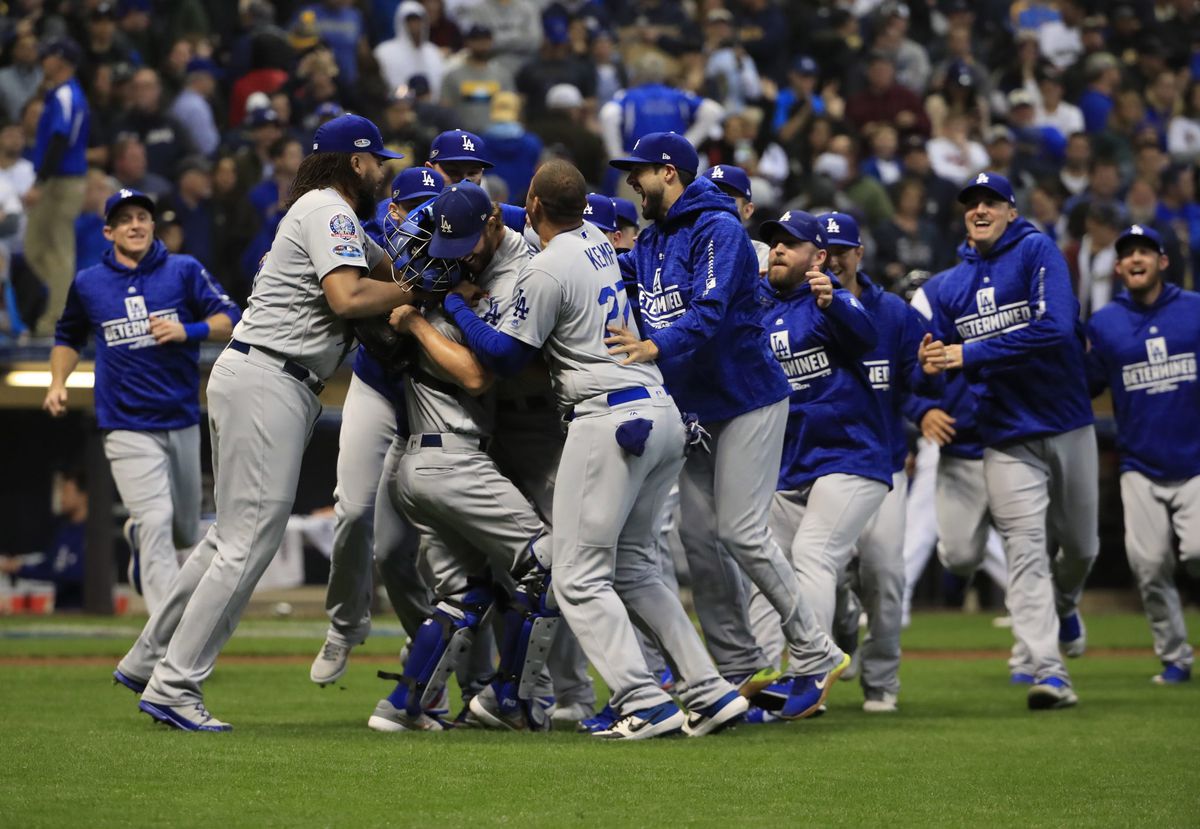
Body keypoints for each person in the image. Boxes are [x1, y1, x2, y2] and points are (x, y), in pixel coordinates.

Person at [113, 114, 416, 732]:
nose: (382, 169)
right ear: (354, 163)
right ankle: (175, 685)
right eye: (375, 160)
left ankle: (148, 656)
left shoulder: (329, 213)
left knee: (228, 535)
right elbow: (350, 299)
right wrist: (423, 295)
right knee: (249, 541)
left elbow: (386, 272)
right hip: (270, 378)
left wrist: (418, 273)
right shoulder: (328, 209)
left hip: (260, 375)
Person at [441, 160, 749, 740]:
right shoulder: (593, 239)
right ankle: (709, 692)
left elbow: (504, 357)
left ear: (532, 203)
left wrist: (458, 303)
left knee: (579, 578)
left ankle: (643, 699)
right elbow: (531, 216)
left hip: (608, 418)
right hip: (657, 411)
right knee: (634, 568)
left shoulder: (547, 267)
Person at [604, 132, 849, 717]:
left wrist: (653, 348)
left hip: (747, 399)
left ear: (669, 172)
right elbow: (620, 276)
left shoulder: (720, 229)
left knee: (741, 532)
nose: (631, 181)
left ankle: (816, 652)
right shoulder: (655, 239)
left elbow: (710, 313)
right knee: (699, 541)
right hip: (698, 409)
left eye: (639, 171)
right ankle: (741, 664)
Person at [370, 182, 558, 732]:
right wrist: (431, 314)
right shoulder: (438, 313)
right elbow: (478, 373)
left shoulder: (420, 301)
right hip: (453, 462)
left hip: (417, 465)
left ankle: (404, 708)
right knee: (546, 565)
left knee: (463, 594)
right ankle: (510, 702)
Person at [922, 172, 1098, 710]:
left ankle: (1066, 605)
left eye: (990, 202)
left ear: (1011, 211)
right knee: (1024, 553)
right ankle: (1049, 670)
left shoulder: (1037, 251)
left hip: (1066, 421)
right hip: (1004, 435)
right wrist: (931, 364)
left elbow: (1057, 327)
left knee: (1081, 548)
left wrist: (967, 354)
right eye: (971, 202)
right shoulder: (949, 286)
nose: (980, 209)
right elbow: (933, 355)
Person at [45, 188, 238, 613]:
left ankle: (139, 540)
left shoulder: (183, 270)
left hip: (180, 416)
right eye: (126, 219)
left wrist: (189, 331)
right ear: (109, 231)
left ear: (154, 227)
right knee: (153, 520)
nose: (136, 225)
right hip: (124, 421)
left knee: (185, 530)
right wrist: (58, 382)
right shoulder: (89, 282)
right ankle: (163, 641)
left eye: (143, 217)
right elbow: (67, 336)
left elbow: (232, 316)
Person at [746, 209, 887, 721]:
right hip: (788, 463)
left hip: (850, 455)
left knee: (812, 554)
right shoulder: (757, 306)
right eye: (774, 243)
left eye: (792, 243)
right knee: (764, 561)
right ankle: (762, 679)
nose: (779, 249)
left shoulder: (829, 298)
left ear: (819, 256)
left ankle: (810, 674)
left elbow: (866, 335)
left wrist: (834, 301)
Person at [310, 165, 446, 687]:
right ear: (394, 210)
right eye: (417, 209)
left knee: (398, 550)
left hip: (433, 397)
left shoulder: (463, 247)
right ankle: (345, 626)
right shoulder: (369, 246)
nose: (427, 220)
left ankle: (426, 653)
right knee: (352, 510)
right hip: (376, 386)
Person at [817, 210, 933, 713]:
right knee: (827, 578)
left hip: (883, 465)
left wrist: (927, 401)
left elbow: (918, 382)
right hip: (817, 465)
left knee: (886, 574)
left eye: (846, 248)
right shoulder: (800, 308)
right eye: (828, 248)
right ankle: (841, 638)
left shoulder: (895, 315)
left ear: (860, 254)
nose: (838, 256)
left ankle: (882, 678)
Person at [1084, 225, 1198, 686]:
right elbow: (1087, 385)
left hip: (1195, 461)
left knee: (1197, 553)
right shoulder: (1105, 323)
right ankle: (1175, 657)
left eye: (1145, 253)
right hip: (1139, 463)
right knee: (1149, 566)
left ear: (1162, 262)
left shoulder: (1195, 311)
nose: (1136, 260)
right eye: (1128, 254)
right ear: (1117, 267)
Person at [24, 38, 89, 330]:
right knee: (34, 248)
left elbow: (61, 139)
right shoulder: (60, 94)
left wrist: (41, 181)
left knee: (60, 249)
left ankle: (59, 318)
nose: (43, 60)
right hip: (57, 179)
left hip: (62, 181)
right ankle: (70, 302)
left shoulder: (66, 95)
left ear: (60, 60)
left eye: (48, 55)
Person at [0, 467, 88, 610]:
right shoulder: (63, 529)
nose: (62, 498)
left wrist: (23, 569)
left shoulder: (95, 534)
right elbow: (50, 564)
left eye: (66, 491)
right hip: (62, 609)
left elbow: (72, 574)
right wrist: (18, 567)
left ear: (84, 496)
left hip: (84, 609)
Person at [701, 164, 768, 270]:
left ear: (747, 210)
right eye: (709, 196)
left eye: (726, 197)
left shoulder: (762, 257)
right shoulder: (677, 250)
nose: (715, 203)